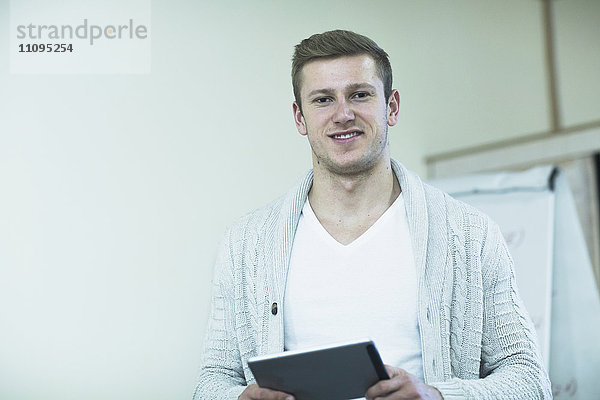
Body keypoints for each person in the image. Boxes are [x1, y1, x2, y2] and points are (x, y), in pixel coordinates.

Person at [193, 30, 552, 400]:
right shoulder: (246, 245)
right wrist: (236, 399)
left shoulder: (469, 235)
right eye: (323, 100)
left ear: (391, 106)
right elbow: (212, 380)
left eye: (359, 95)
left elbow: (530, 380)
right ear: (300, 118)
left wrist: (438, 396)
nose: (343, 114)